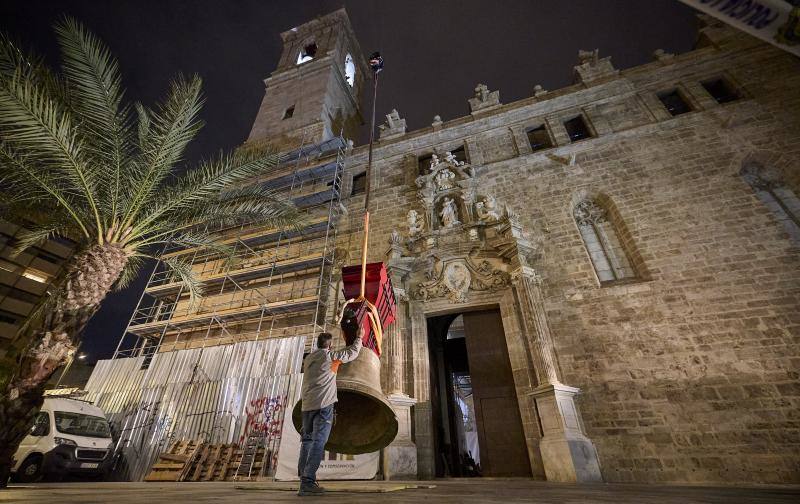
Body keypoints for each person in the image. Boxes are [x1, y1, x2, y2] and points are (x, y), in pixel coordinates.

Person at [297, 324, 363, 496]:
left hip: (306, 406)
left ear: (318, 344)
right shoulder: (330, 357)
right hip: (323, 405)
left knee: (307, 441)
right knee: (319, 441)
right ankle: (308, 481)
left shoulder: (309, 359)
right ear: (329, 345)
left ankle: (303, 476)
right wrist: (359, 337)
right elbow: (352, 353)